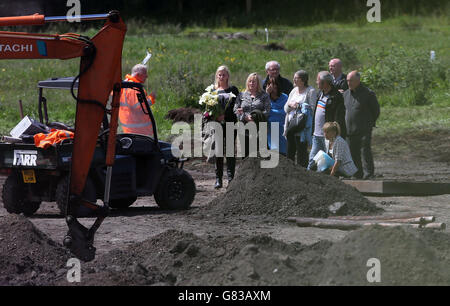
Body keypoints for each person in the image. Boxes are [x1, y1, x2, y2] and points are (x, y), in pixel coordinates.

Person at [344, 71, 380, 180]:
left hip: (364, 129)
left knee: (365, 152)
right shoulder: (345, 94)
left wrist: (369, 123)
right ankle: (357, 174)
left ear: (358, 81)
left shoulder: (368, 94)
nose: (349, 83)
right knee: (352, 152)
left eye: (351, 81)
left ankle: (369, 174)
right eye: (348, 81)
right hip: (349, 130)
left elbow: (376, 110)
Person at [308, 71, 346, 170]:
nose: (316, 82)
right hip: (317, 134)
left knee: (328, 160)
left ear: (324, 83)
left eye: (318, 81)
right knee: (313, 159)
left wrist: (334, 133)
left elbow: (338, 117)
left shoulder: (336, 96)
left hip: (328, 136)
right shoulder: (320, 93)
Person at [212, 65, 240, 189]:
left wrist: (225, 115)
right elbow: (208, 108)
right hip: (217, 124)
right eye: (220, 74)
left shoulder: (233, 89)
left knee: (229, 151)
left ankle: (230, 178)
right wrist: (215, 116)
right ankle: (218, 179)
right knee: (218, 152)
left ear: (228, 76)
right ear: (217, 76)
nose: (222, 76)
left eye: (224, 74)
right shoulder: (212, 91)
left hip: (229, 123)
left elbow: (236, 106)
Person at [234, 72, 271, 157]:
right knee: (245, 153)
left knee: (258, 154)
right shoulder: (241, 95)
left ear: (258, 83)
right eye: (250, 81)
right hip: (244, 127)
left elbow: (267, 111)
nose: (251, 83)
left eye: (254, 81)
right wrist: (245, 117)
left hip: (259, 128)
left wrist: (255, 118)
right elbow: (236, 110)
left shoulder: (264, 95)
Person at [284, 70, 316, 167]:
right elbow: (285, 108)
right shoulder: (294, 90)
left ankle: (302, 173)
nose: (294, 79)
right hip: (290, 125)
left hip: (302, 126)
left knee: (301, 151)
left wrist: (299, 105)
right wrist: (290, 105)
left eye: (296, 78)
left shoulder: (311, 91)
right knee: (290, 150)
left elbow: (312, 108)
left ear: (303, 80)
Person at [119, 64, 156, 136]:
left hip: (130, 128)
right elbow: (141, 108)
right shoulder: (134, 89)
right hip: (138, 131)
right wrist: (151, 98)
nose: (147, 76)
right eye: (145, 74)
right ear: (137, 74)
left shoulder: (126, 84)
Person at [266, 77, 288, 155]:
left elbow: (285, 111)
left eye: (275, 85)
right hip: (271, 127)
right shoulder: (266, 97)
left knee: (283, 152)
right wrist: (267, 94)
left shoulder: (284, 97)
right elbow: (263, 110)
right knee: (274, 151)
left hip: (282, 127)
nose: (273, 87)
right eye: (270, 85)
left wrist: (272, 112)